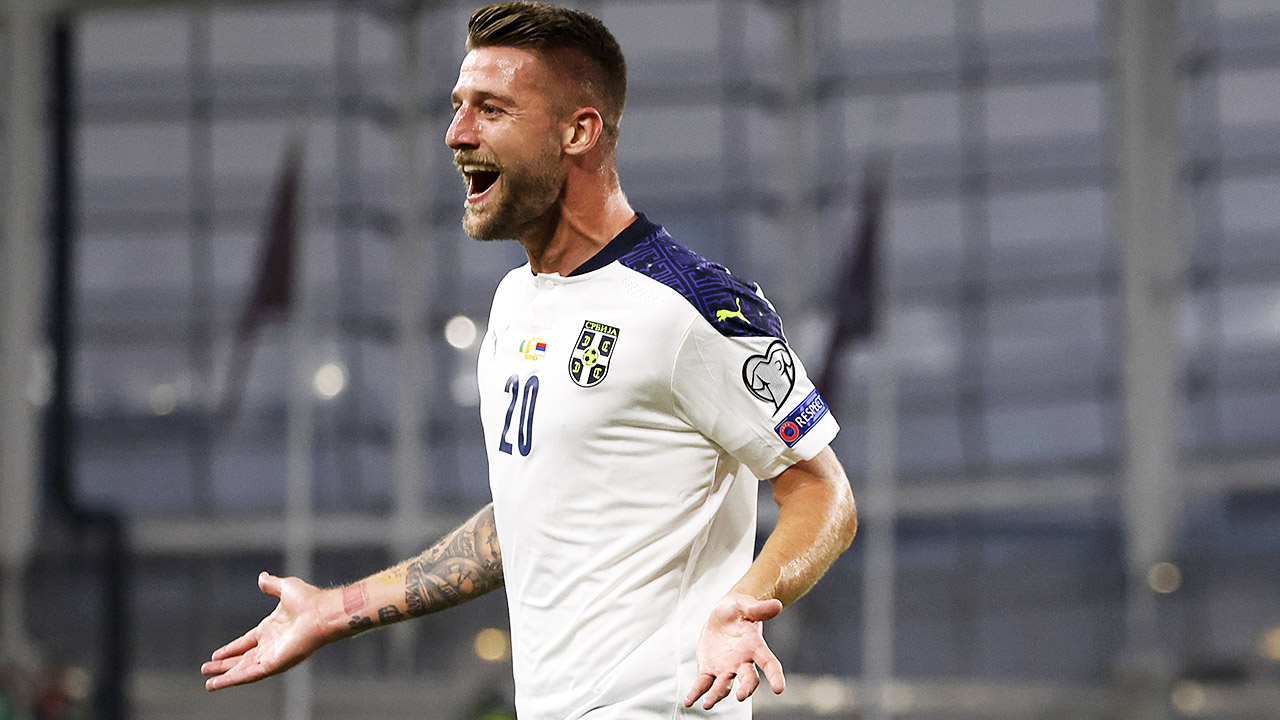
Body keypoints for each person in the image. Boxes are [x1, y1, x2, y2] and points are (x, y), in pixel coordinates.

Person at [200, 3, 858, 718]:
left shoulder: (695, 307)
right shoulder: (515, 304)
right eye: (458, 107)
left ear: (579, 130)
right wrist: (336, 610)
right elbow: (528, 517)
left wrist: (742, 605)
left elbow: (824, 495)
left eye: (491, 110)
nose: (457, 134)